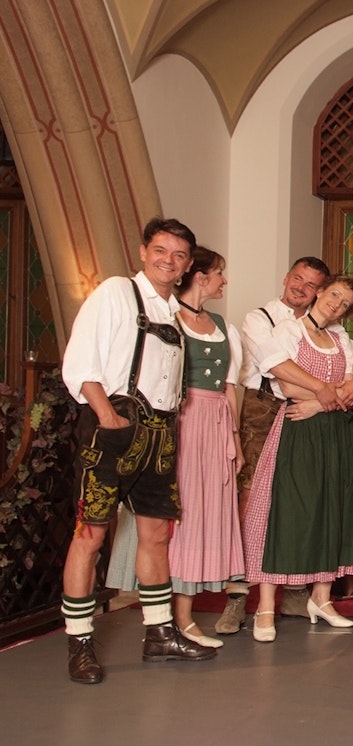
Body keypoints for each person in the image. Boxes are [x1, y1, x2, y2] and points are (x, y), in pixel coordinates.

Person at [59, 217, 217, 684]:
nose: (169, 260)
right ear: (144, 250)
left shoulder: (172, 311)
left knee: (156, 535)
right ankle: (80, 642)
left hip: (160, 435)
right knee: (90, 535)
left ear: (189, 265)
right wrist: (108, 417)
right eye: (161, 250)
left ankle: (159, 633)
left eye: (179, 255)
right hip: (114, 428)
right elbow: (81, 360)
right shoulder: (114, 293)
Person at [104, 246, 247, 649]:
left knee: (201, 514)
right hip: (180, 421)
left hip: (215, 422)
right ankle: (171, 619)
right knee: (175, 516)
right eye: (219, 273)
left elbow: (230, 387)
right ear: (200, 276)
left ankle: (182, 615)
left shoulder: (222, 325)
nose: (224, 281)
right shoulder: (166, 319)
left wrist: (234, 439)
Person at [217, 256, 353, 634]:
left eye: (313, 283)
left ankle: (308, 594)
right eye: (299, 279)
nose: (303, 287)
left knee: (322, 504)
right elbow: (277, 368)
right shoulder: (270, 322)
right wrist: (322, 392)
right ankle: (242, 600)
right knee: (262, 503)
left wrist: (328, 396)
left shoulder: (338, 335)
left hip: (322, 420)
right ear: (287, 279)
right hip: (267, 410)